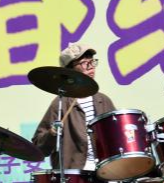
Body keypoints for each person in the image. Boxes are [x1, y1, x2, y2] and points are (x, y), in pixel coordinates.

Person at [32, 43, 116, 171]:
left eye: (92, 62)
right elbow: (39, 147)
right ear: (70, 70)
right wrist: (52, 133)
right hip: (76, 173)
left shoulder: (103, 100)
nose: (91, 67)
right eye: (84, 63)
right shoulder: (60, 104)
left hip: (106, 169)